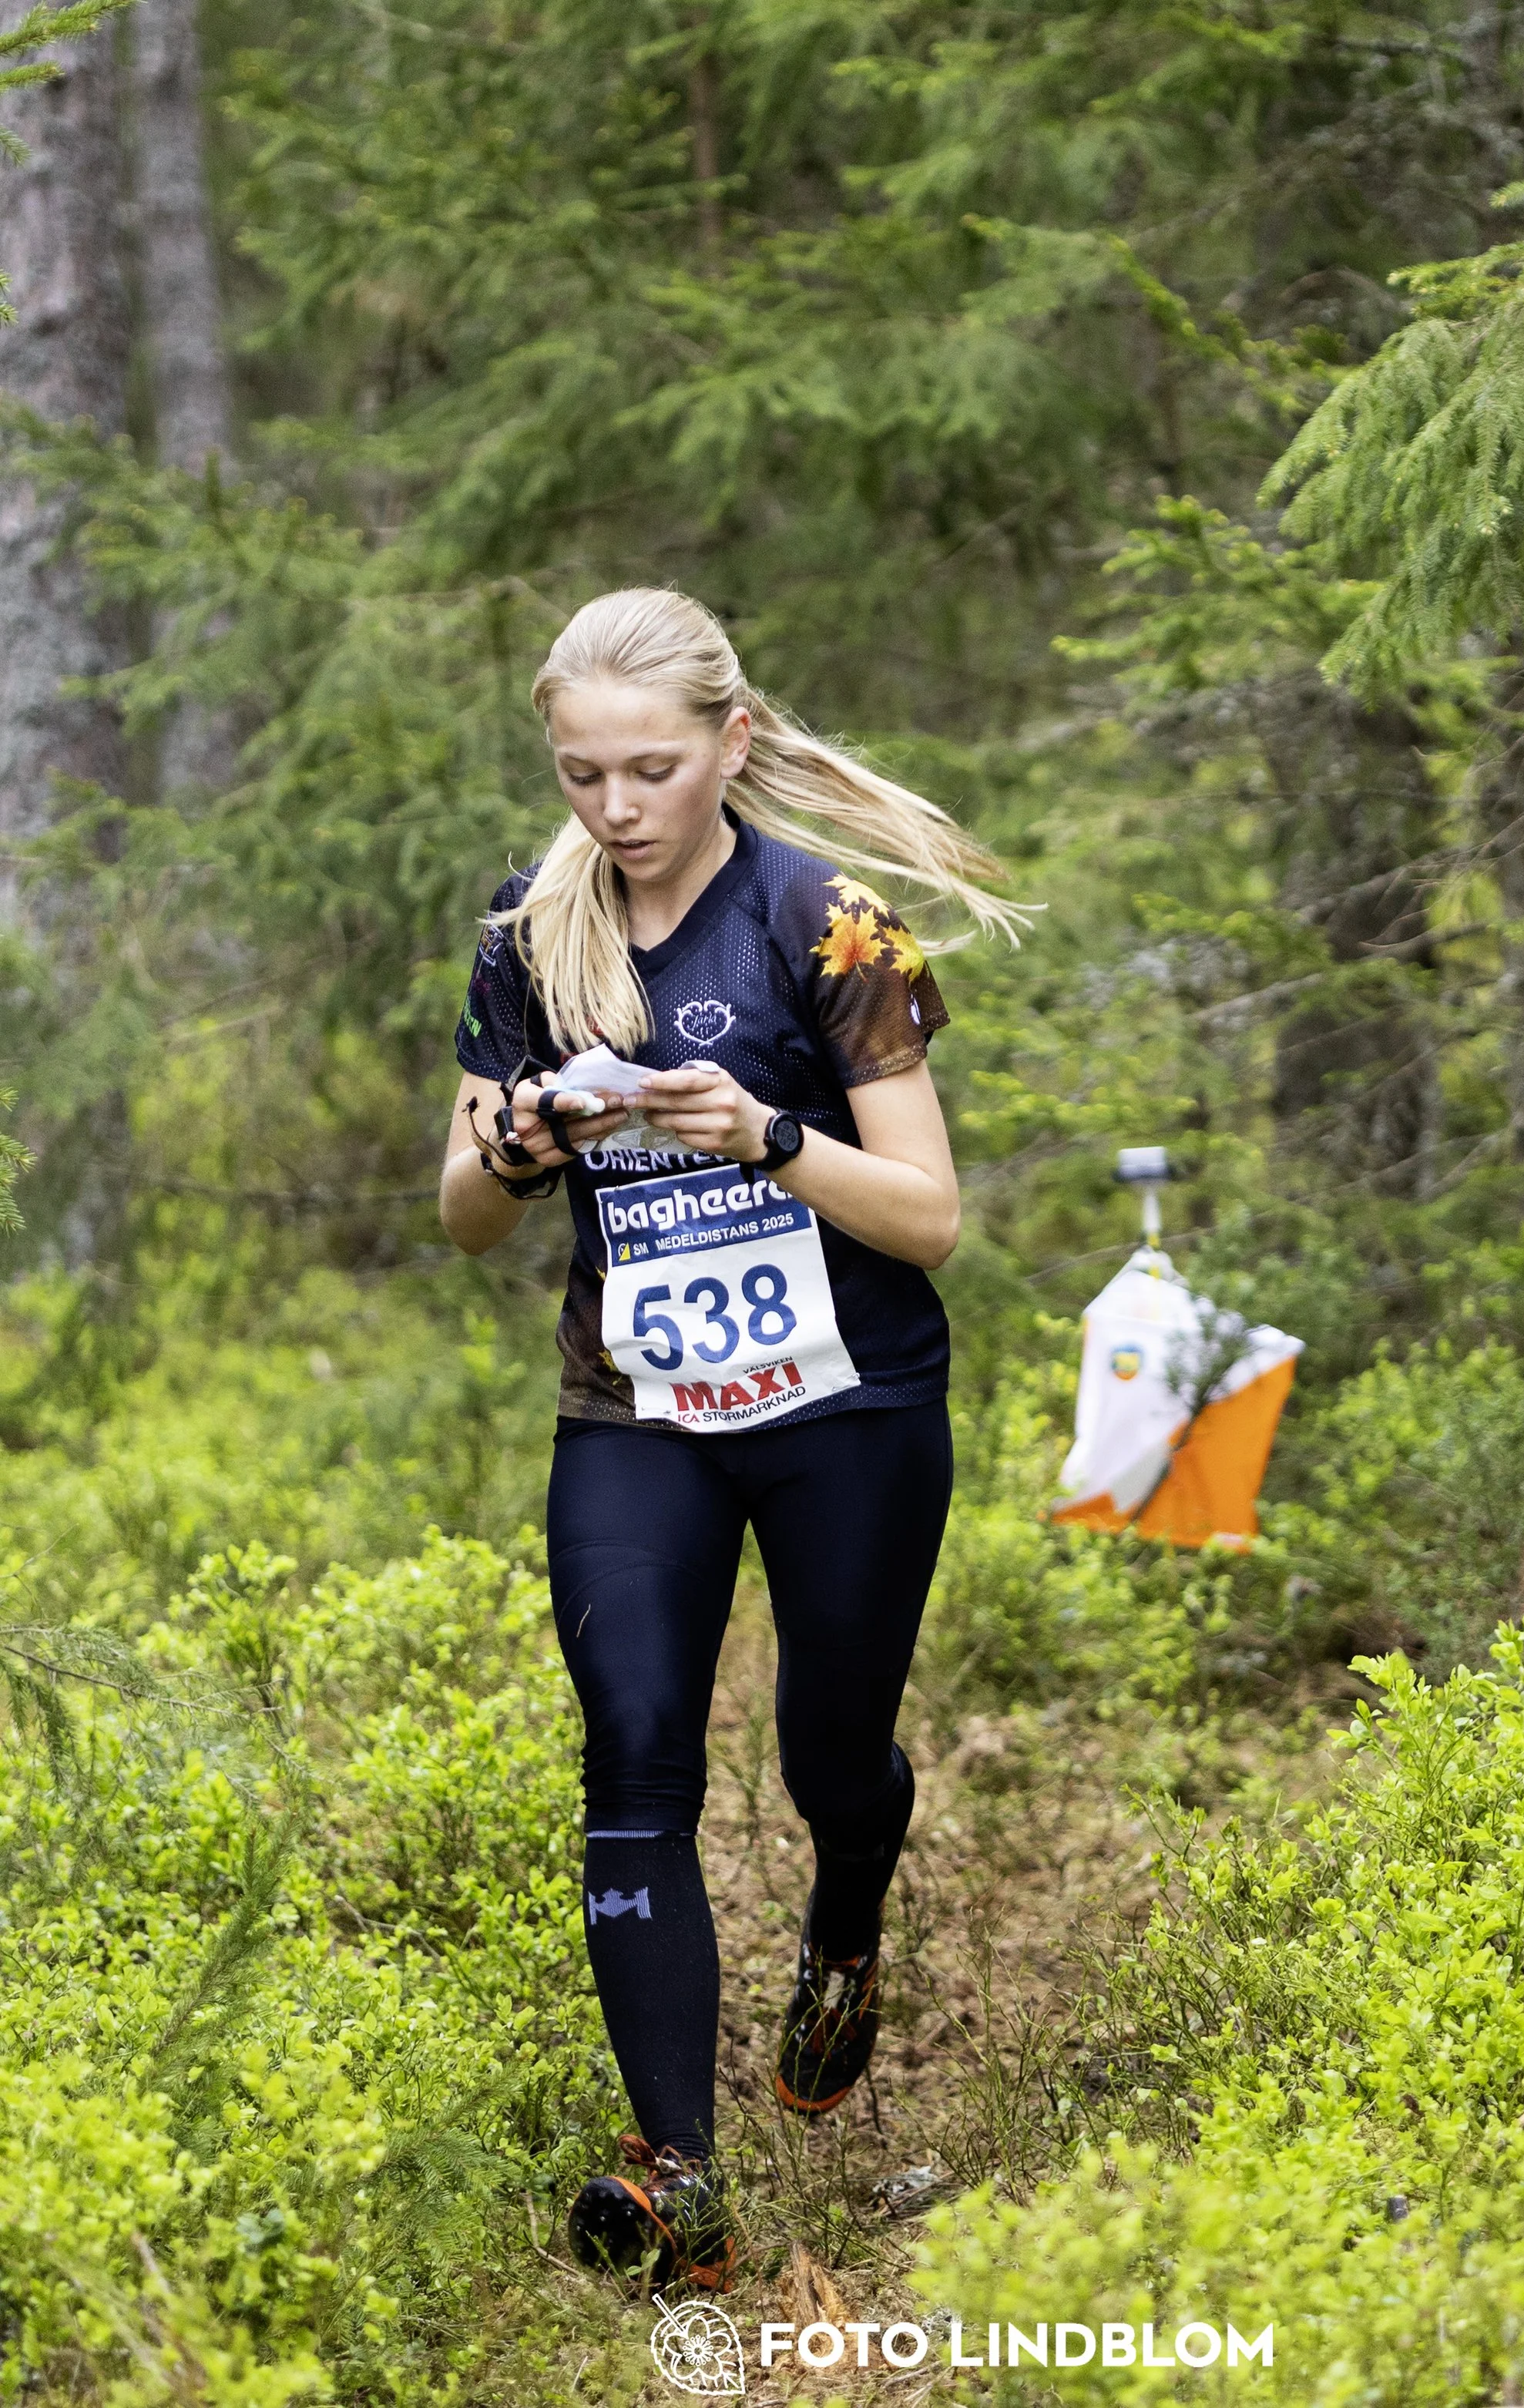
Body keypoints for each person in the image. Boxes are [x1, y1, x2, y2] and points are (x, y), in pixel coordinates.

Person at [439, 588, 1021, 2293]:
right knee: (632, 1754)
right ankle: (678, 2170)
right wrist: (530, 1144)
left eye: (649, 768)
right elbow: (464, 1212)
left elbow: (927, 1216)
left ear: (730, 744)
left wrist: (765, 1134)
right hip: (638, 1412)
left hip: (845, 1403)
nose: (615, 808)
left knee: (829, 1755)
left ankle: (846, 1925)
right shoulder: (525, 932)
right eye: (580, 773)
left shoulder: (824, 923)